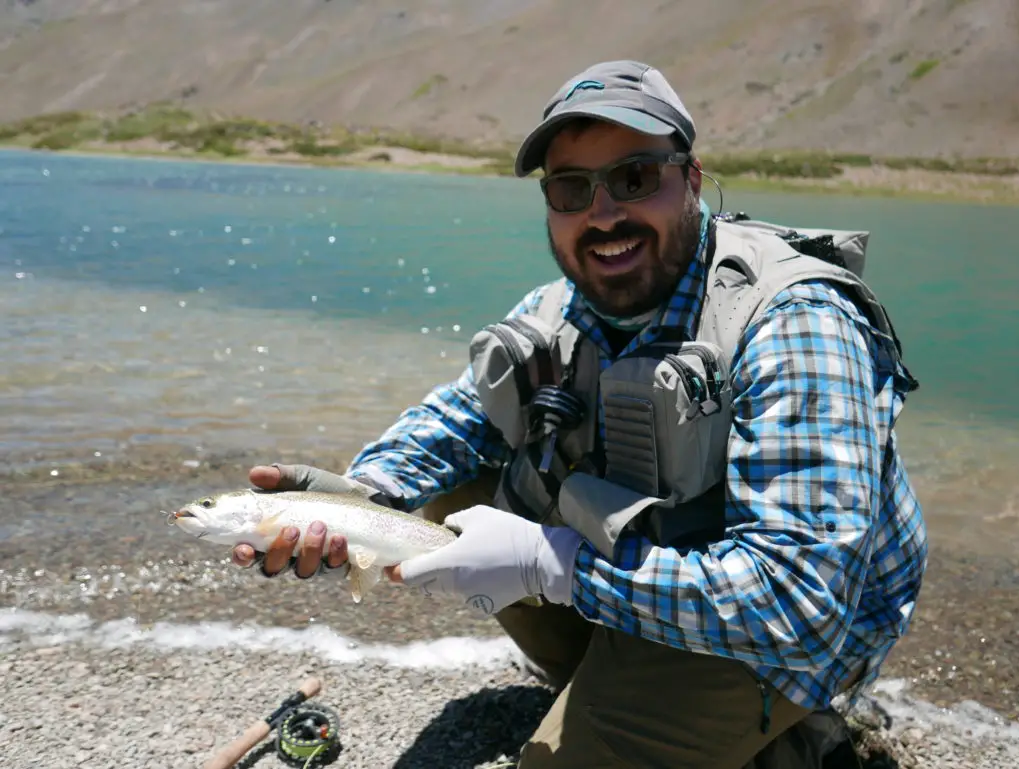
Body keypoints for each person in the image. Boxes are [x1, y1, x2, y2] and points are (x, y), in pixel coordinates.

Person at [230, 60, 928, 768]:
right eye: (571, 188)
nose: (603, 214)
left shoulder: (795, 322)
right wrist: (361, 501)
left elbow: (798, 605)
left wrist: (550, 565)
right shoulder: (559, 309)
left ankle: (792, 726)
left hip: (783, 636)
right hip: (649, 576)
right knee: (452, 484)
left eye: (634, 179)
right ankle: (624, 685)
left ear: (690, 178)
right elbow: (455, 420)